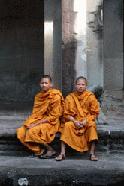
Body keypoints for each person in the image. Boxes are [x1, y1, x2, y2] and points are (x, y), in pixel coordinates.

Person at [17, 75, 64, 158]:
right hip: (40, 119)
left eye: (46, 83)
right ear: (40, 84)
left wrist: (35, 124)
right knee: (21, 132)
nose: (44, 85)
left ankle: (50, 149)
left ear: (51, 84)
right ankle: (39, 151)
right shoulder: (38, 96)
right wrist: (31, 122)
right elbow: (36, 113)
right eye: (42, 83)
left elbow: (54, 116)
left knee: (31, 131)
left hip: (51, 122)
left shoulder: (55, 96)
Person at [56, 76, 100, 161]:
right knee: (67, 126)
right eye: (78, 84)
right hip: (73, 121)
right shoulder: (70, 97)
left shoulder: (90, 97)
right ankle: (62, 153)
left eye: (83, 84)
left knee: (92, 125)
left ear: (86, 86)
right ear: (75, 85)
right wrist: (74, 120)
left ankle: (92, 153)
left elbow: (94, 113)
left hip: (86, 120)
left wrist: (85, 120)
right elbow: (65, 114)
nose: (80, 86)